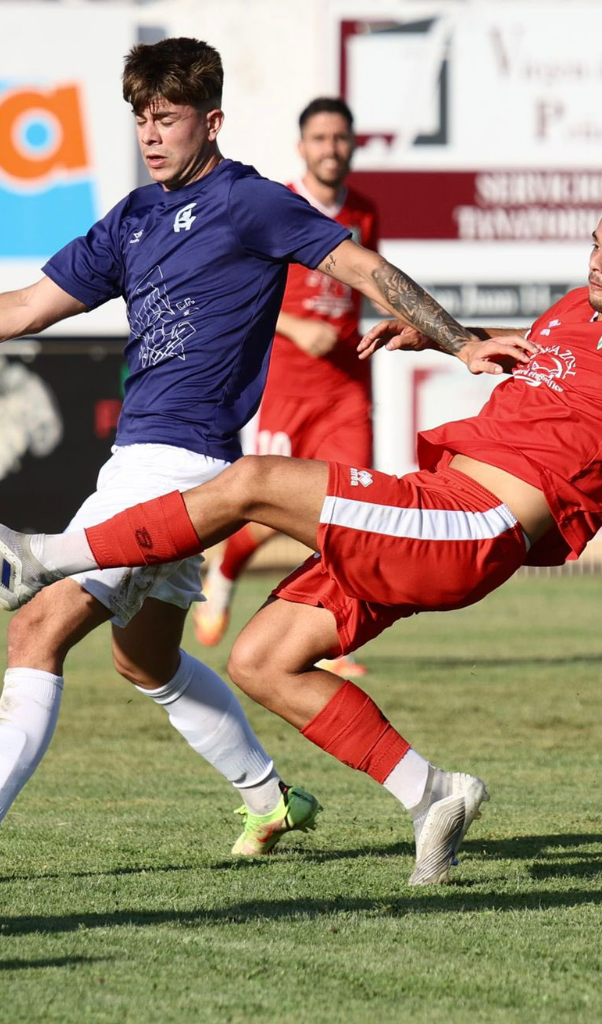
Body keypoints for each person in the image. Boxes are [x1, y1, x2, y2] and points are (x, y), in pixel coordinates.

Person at [0, 191, 602, 885]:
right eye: (594, 243)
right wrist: (444, 333)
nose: (593, 261)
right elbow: (533, 372)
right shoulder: (575, 311)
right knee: (267, 657)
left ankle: (49, 556)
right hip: (433, 501)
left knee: (252, 483)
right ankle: (432, 791)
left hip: (473, 523)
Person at [0, 38, 531, 887]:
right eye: (141, 120)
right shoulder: (132, 218)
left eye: (168, 118)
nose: (151, 136)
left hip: (177, 466)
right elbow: (24, 305)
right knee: (143, 656)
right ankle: (273, 799)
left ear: (211, 120)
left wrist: (461, 341)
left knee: (34, 625)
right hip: (166, 470)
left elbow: (362, 265)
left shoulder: (251, 202)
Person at [195, 97, 378, 680]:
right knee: (272, 513)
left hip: (346, 389)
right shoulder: (277, 203)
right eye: (320, 138)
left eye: (340, 138)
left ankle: (333, 638)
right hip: (286, 387)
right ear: (303, 148)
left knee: (352, 512)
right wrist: (296, 325)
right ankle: (224, 571)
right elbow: (235, 289)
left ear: (352, 146)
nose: (331, 148)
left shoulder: (367, 211)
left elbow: (365, 280)